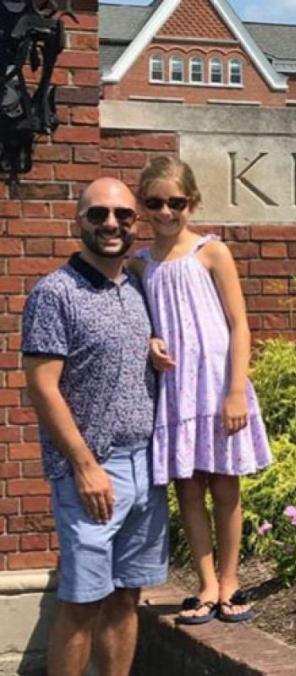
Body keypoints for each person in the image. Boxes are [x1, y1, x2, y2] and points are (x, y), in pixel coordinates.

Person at [22, 177, 166, 676]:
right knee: (83, 602)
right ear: (79, 220)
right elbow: (43, 387)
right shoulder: (55, 293)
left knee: (126, 596)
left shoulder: (139, 286)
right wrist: (84, 467)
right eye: (98, 214)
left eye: (123, 215)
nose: (111, 223)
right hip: (93, 471)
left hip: (147, 465)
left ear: (135, 222)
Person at [133, 156, 271, 624]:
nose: (166, 212)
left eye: (176, 202)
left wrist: (236, 391)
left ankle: (230, 581)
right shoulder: (140, 266)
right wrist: (149, 341)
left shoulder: (211, 252)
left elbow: (239, 324)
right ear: (143, 205)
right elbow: (140, 323)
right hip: (176, 390)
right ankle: (207, 584)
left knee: (225, 485)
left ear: (191, 202)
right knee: (188, 489)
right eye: (155, 203)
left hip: (215, 385)